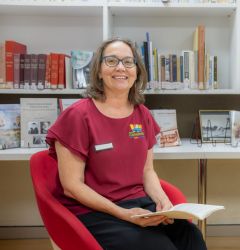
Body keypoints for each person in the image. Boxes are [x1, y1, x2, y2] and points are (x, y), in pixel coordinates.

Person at [46, 38, 207, 250]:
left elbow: (147, 171)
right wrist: (123, 214)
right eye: (111, 61)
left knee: (191, 237)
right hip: (94, 211)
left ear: (137, 71)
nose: (121, 67)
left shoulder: (143, 114)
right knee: (159, 247)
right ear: (98, 70)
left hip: (137, 203)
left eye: (128, 62)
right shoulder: (77, 115)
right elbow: (72, 186)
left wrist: (163, 203)